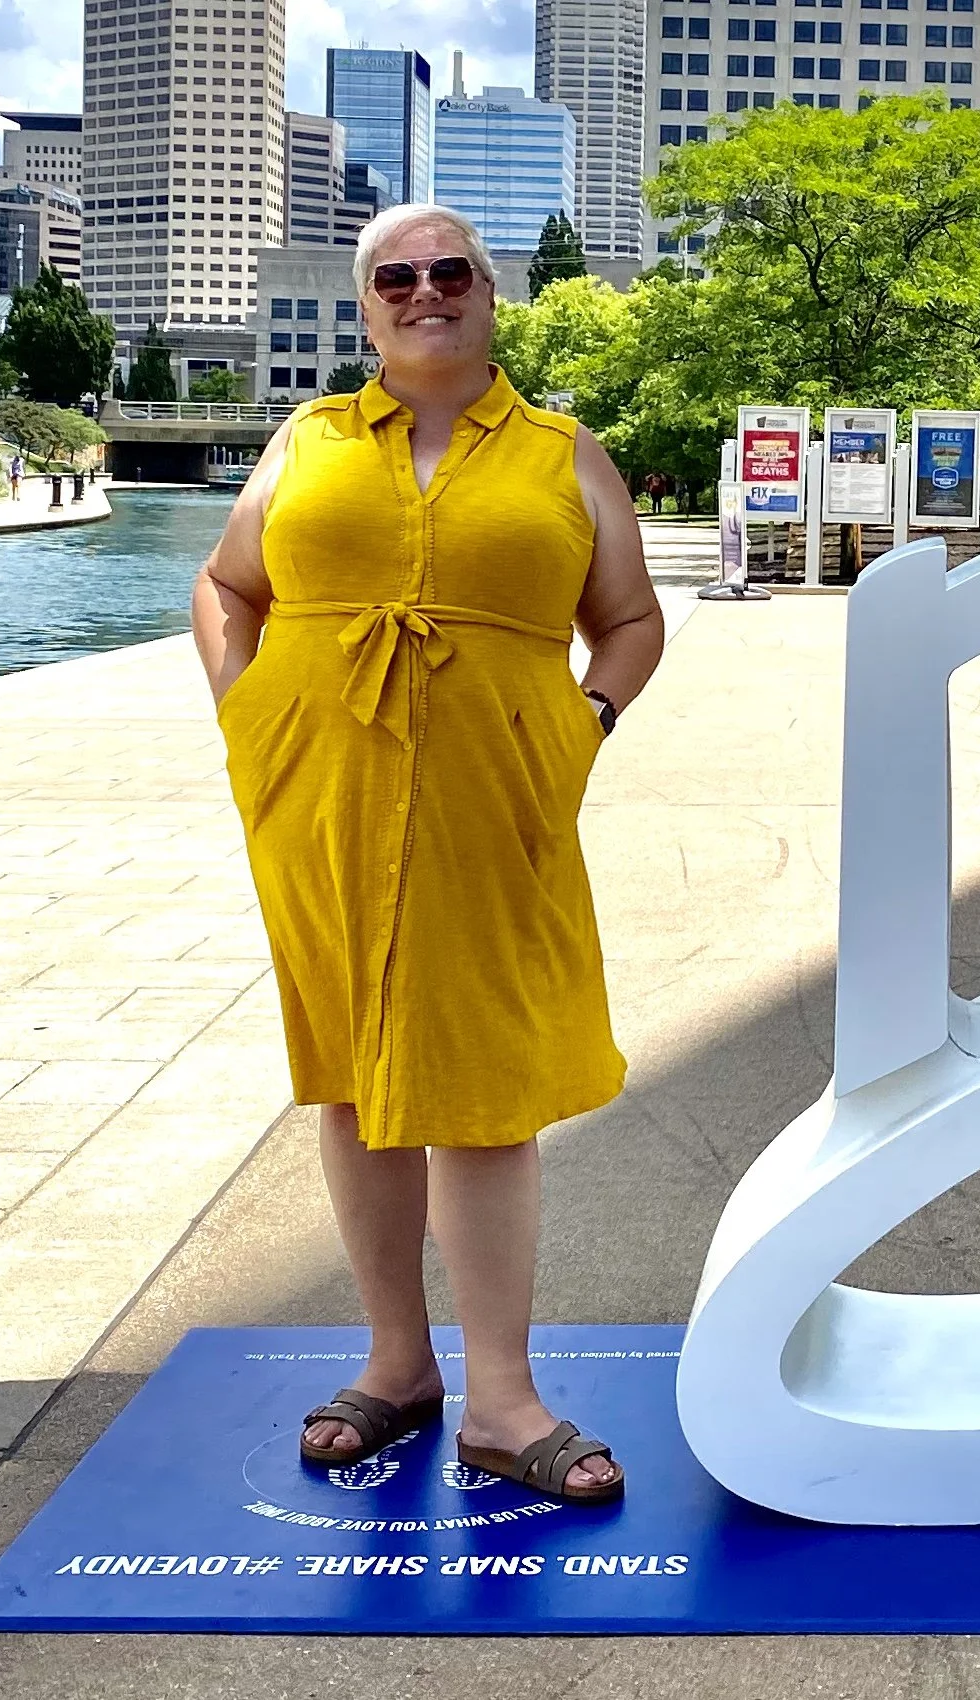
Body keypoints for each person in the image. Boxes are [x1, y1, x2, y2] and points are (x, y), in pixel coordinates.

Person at [188, 204, 664, 1502]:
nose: (423, 289)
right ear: (367, 307)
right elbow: (228, 586)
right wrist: (249, 717)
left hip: (491, 804)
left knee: (484, 1085)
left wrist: (579, 728)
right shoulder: (310, 438)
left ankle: (503, 1396)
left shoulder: (567, 457)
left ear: (490, 292)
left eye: (449, 269)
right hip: (322, 798)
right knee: (352, 1073)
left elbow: (627, 621)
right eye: (394, 277)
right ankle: (398, 1362)